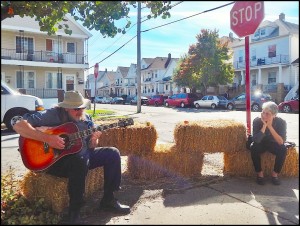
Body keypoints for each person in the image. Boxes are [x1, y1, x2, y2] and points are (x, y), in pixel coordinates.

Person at [13, 91, 130, 224]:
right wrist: (48, 138)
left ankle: (108, 200)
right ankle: (74, 214)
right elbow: (16, 123)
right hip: (54, 161)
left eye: (82, 108)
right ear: (66, 108)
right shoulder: (53, 114)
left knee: (113, 153)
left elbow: (91, 147)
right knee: (79, 161)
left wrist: (94, 139)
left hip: (83, 157)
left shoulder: (87, 120)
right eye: (76, 109)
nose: (80, 112)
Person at [250, 101, 287, 186]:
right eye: (263, 112)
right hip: (261, 143)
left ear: (274, 115)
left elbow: (281, 142)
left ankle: (275, 174)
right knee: (253, 147)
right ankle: (260, 174)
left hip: (273, 143)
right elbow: (256, 140)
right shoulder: (257, 121)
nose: (264, 115)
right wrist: (264, 126)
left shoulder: (281, 122)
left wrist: (270, 126)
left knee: (283, 149)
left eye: (268, 114)